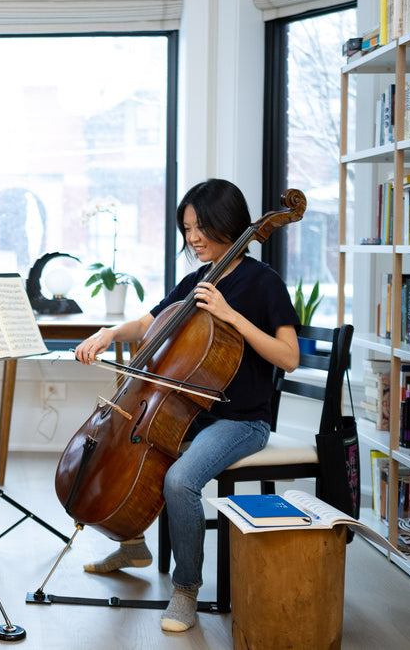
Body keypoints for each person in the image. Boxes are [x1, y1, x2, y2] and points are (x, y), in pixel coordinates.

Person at [73, 179, 300, 633]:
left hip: (241, 420)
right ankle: (132, 542)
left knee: (180, 480)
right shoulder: (198, 279)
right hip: (193, 413)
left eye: (200, 227)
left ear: (229, 224)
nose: (192, 238)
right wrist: (109, 334)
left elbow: (289, 358)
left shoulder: (263, 283)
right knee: (132, 454)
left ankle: (185, 589)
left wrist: (230, 316)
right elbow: (151, 321)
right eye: (187, 228)